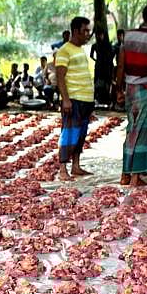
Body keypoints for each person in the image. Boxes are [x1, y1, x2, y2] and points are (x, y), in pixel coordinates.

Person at [114, 2, 147, 187]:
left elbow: (120, 65)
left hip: (130, 89)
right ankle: (136, 176)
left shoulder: (128, 36)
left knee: (132, 128)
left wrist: (118, 89)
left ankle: (125, 174)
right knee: (143, 131)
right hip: (146, 89)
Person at [56, 16, 95, 181]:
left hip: (86, 100)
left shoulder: (80, 50)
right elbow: (60, 77)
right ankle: (63, 168)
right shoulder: (64, 50)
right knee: (69, 133)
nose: (88, 34)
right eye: (85, 31)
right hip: (73, 99)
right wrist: (66, 99)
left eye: (88, 30)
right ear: (76, 31)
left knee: (80, 134)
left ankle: (76, 166)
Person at [90, 30, 115, 105]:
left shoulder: (107, 45)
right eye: (98, 35)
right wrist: (97, 60)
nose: (99, 36)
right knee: (97, 81)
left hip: (106, 66)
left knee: (106, 81)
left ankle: (106, 98)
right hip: (99, 66)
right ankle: (97, 98)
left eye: (100, 35)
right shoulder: (95, 45)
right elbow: (91, 55)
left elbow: (112, 54)